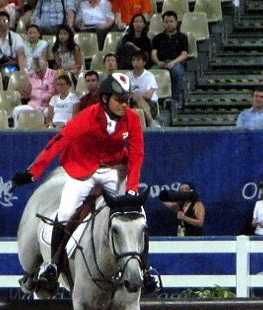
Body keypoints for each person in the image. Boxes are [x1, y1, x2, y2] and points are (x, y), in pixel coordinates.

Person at [10, 73, 157, 294]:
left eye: (127, 100)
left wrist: (132, 189)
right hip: (84, 171)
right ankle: (53, 266)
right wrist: (34, 172)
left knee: (137, 216)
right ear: (105, 99)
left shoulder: (132, 119)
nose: (124, 105)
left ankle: (145, 270)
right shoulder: (88, 116)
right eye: (119, 99)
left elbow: (137, 154)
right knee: (66, 213)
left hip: (114, 171)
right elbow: (59, 141)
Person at [151, 10, 188, 106]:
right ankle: (155, 100)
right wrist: (158, 62)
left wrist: (174, 62)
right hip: (161, 63)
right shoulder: (157, 38)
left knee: (177, 73)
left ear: (176, 22)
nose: (169, 24)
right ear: (163, 23)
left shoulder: (182, 37)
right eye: (166, 22)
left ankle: (174, 99)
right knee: (150, 74)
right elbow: (153, 54)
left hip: (175, 63)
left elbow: (184, 54)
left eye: (171, 21)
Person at [0, 10, 26, 79]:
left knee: (8, 76)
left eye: (4, 21)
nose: (1, 23)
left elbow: (21, 54)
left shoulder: (16, 37)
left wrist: (22, 70)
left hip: (11, 66)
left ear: (9, 23)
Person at [12, 57, 56, 125]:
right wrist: (24, 93)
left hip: (48, 106)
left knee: (51, 114)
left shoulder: (53, 74)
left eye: (40, 71)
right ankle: (17, 130)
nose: (38, 73)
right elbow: (27, 92)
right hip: (34, 105)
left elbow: (59, 91)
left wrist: (51, 97)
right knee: (16, 110)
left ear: (44, 68)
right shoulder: (31, 75)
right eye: (36, 72)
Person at [127, 51, 160, 128]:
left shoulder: (149, 76)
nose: (135, 62)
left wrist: (136, 96)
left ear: (144, 62)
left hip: (151, 104)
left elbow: (149, 96)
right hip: (132, 103)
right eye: (134, 60)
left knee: (137, 97)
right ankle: (150, 123)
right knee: (136, 108)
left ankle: (150, 120)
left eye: (138, 60)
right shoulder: (128, 76)